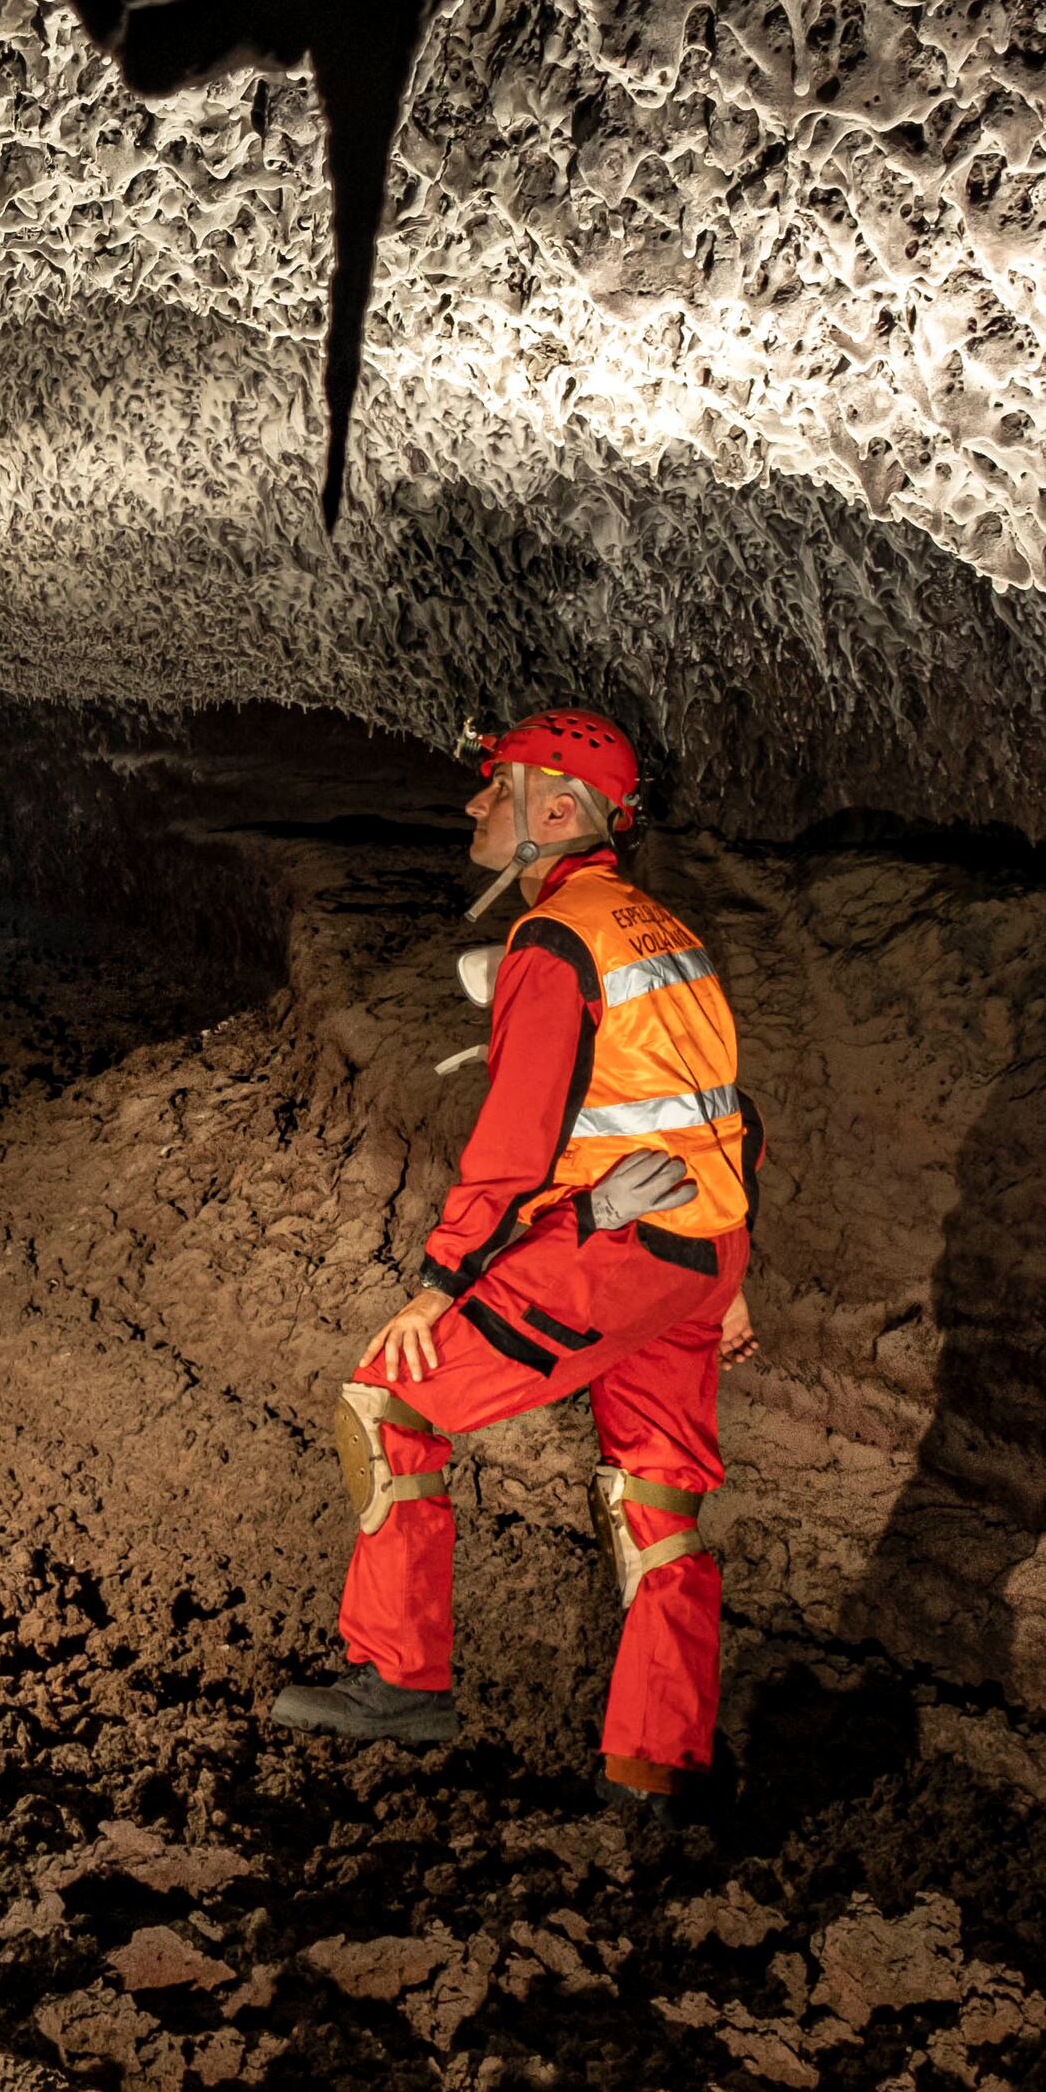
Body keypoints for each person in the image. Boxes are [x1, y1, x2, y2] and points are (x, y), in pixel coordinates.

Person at [271, 708, 762, 1830]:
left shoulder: (557, 943)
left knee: (387, 1399)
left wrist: (441, 1282)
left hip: (619, 1249)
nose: (473, 805)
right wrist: (731, 1279)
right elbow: (724, 1112)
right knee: (655, 1506)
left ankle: (398, 1682)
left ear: (555, 812)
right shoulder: (656, 929)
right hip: (698, 1243)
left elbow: (516, 1136)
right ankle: (655, 1768)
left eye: (494, 788)